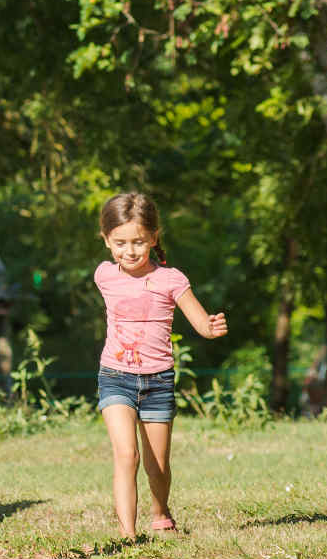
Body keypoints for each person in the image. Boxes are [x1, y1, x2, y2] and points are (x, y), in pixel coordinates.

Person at [93, 192, 227, 539]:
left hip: (157, 380)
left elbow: (198, 320)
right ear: (106, 240)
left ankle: (161, 513)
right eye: (120, 242)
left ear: (154, 237)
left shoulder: (171, 280)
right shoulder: (104, 275)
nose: (130, 251)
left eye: (139, 241)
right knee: (127, 454)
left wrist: (209, 328)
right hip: (115, 377)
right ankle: (127, 535)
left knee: (158, 466)